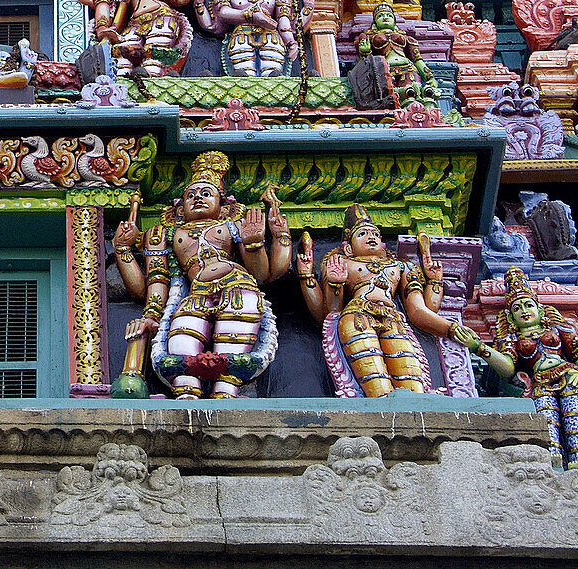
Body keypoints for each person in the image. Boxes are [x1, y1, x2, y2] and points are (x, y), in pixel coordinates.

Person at [118, 151, 287, 398]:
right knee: (180, 344)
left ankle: (226, 394)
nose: (198, 198)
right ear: (178, 209)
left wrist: (254, 244)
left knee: (233, 346)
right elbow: (156, 280)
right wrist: (123, 251)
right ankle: (186, 396)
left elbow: (262, 275)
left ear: (224, 206)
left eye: (206, 194)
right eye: (190, 195)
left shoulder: (233, 226)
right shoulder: (162, 234)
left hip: (237, 287)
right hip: (194, 293)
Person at [297, 205, 449, 397]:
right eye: (362, 233)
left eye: (375, 233)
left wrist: (435, 280)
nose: (371, 237)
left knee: (411, 378)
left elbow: (421, 310)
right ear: (349, 248)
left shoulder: (402, 267)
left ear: (384, 246)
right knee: (375, 382)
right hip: (357, 317)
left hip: (393, 319)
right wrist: (332, 284)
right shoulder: (339, 263)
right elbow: (328, 312)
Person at [452, 267, 578, 469]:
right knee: (547, 423)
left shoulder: (556, 327)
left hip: (570, 376)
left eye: (528, 305)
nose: (524, 311)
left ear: (540, 309)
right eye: (517, 309)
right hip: (540, 382)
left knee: (573, 416)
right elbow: (508, 368)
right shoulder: (513, 338)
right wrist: (478, 347)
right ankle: (555, 463)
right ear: (510, 317)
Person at [204, 0, 303, 77]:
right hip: (241, 35)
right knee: (244, 71)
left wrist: (291, 42)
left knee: (273, 71)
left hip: (271, 36)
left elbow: (284, 21)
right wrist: (251, 16)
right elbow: (224, 13)